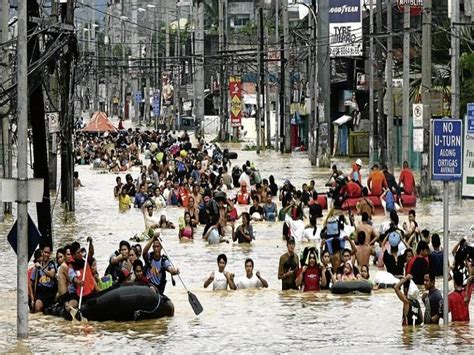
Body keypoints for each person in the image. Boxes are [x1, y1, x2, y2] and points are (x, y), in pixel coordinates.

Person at [30, 243, 57, 313]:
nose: (46, 254)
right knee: (38, 306)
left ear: (50, 253)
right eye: (45, 252)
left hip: (51, 293)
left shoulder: (52, 264)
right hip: (41, 293)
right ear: (42, 252)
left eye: (48, 253)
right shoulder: (36, 268)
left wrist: (41, 268)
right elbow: (30, 284)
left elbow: (52, 275)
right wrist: (32, 299)